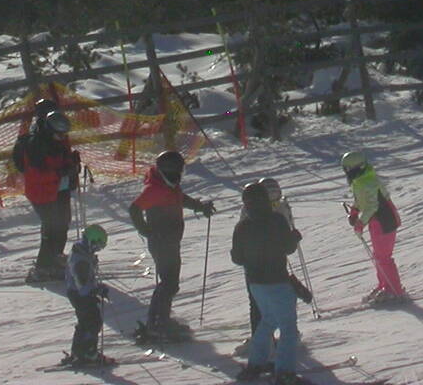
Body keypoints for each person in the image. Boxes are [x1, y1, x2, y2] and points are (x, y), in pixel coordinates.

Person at [128, 149, 215, 343]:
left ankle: (158, 320)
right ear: (168, 171)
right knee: (169, 282)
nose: (179, 175)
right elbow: (134, 209)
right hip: (161, 242)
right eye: (178, 171)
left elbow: (181, 199)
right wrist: (146, 230)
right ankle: (158, 322)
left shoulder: (169, 187)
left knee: (169, 282)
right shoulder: (154, 190)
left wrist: (200, 207)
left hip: (170, 241)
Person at [231, 180, 305, 384]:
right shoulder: (276, 220)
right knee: (288, 327)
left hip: (255, 284)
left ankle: (256, 363)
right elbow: (288, 248)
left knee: (268, 320)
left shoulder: (242, 226)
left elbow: (237, 258)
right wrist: (294, 237)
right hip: (278, 280)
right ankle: (284, 372)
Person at [10, 100, 81, 282]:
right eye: (59, 134)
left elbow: (63, 157)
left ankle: (55, 259)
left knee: (62, 224)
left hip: (60, 189)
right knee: (51, 228)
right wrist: (60, 172)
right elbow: (36, 175)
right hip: (42, 193)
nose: (62, 136)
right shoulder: (36, 144)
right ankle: (42, 267)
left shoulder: (58, 134)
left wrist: (72, 164)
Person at [342, 150, 405, 303]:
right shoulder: (361, 180)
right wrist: (354, 211)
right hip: (376, 221)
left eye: (347, 170)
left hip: (385, 221)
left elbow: (372, 206)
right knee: (378, 257)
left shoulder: (369, 182)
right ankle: (384, 285)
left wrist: (360, 224)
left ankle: (394, 290)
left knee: (384, 257)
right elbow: (361, 200)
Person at [61, 223, 114, 367]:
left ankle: (78, 351)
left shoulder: (81, 252)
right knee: (93, 321)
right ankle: (88, 353)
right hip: (80, 295)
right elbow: (83, 285)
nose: (97, 250)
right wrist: (97, 290)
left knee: (85, 321)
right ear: (91, 242)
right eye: (97, 246)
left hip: (76, 293)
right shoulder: (81, 261)